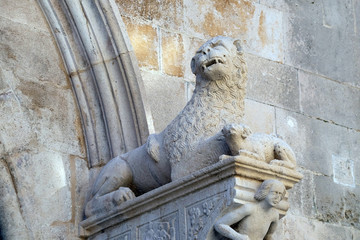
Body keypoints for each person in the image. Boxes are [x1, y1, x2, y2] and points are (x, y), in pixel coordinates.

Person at [214, 179, 286, 240]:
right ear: (265, 191)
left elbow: (268, 236)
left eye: (280, 194)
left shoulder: (274, 215)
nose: (277, 197)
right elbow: (220, 224)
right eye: (275, 192)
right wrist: (239, 237)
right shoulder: (250, 208)